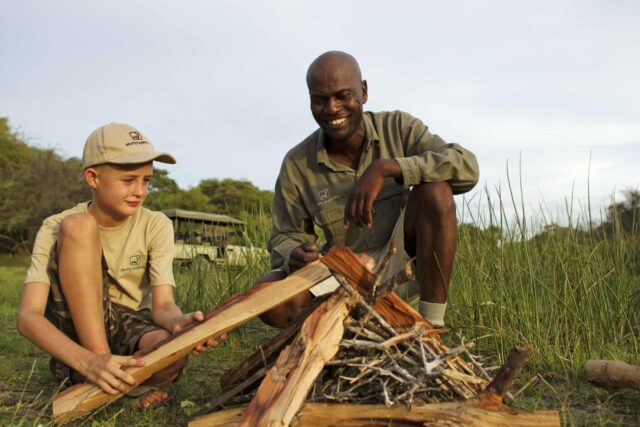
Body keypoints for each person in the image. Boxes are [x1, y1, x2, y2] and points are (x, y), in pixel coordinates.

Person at [259, 51, 479, 329]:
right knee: (269, 293)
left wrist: (388, 168)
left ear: (363, 92)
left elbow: (467, 166)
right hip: (343, 276)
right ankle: (336, 329)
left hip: (405, 269)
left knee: (435, 192)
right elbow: (284, 235)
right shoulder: (297, 163)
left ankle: (430, 327)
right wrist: (294, 254)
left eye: (342, 96)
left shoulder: (398, 128)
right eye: (320, 100)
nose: (332, 108)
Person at [16, 123, 216, 408]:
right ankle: (95, 366)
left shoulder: (155, 224)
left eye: (146, 180)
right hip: (78, 328)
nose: (140, 191)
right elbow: (28, 317)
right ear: (93, 177)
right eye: (129, 180)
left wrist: (177, 323)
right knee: (79, 226)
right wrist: (92, 359)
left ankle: (84, 375)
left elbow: (162, 306)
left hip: (130, 325)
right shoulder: (57, 226)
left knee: (173, 359)